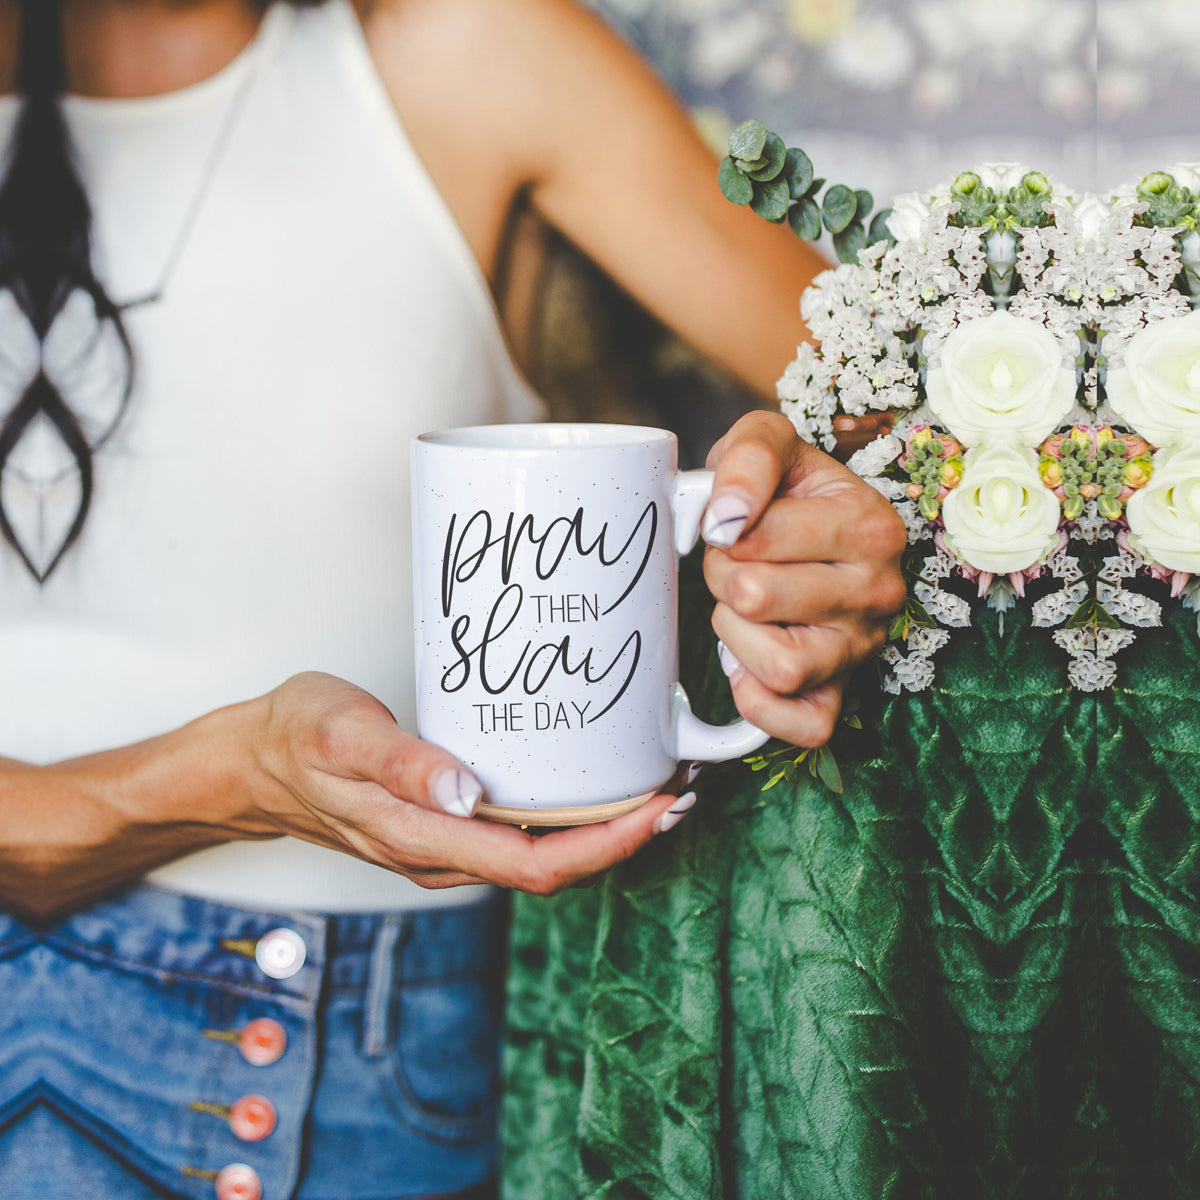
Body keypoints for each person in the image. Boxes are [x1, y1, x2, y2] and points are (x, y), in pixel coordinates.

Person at [0, 1, 906, 1197]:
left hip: (313, 1058)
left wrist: (832, 526)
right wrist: (228, 775)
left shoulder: (469, 53)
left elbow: (912, 424)